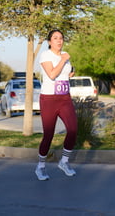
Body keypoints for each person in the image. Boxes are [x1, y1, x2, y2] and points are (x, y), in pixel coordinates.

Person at [35, 29, 78, 181]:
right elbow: (52, 74)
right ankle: (40, 166)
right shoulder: (46, 55)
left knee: (73, 129)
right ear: (49, 42)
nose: (59, 41)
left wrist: (69, 73)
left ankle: (64, 162)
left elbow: (64, 74)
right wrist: (63, 60)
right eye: (55, 38)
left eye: (61, 38)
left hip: (64, 98)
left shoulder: (65, 55)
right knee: (49, 134)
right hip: (49, 99)